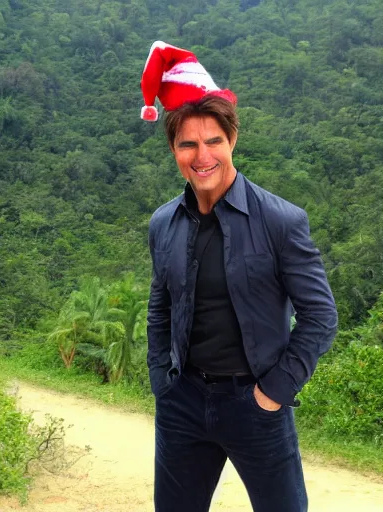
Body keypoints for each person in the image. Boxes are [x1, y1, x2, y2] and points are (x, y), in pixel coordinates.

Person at [140, 41, 338, 512]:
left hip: (255, 404)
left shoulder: (280, 220)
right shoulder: (163, 223)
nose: (201, 155)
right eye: (188, 143)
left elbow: (320, 316)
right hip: (183, 401)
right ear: (173, 149)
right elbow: (160, 305)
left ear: (232, 142)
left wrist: (274, 392)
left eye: (213, 141)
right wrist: (161, 383)